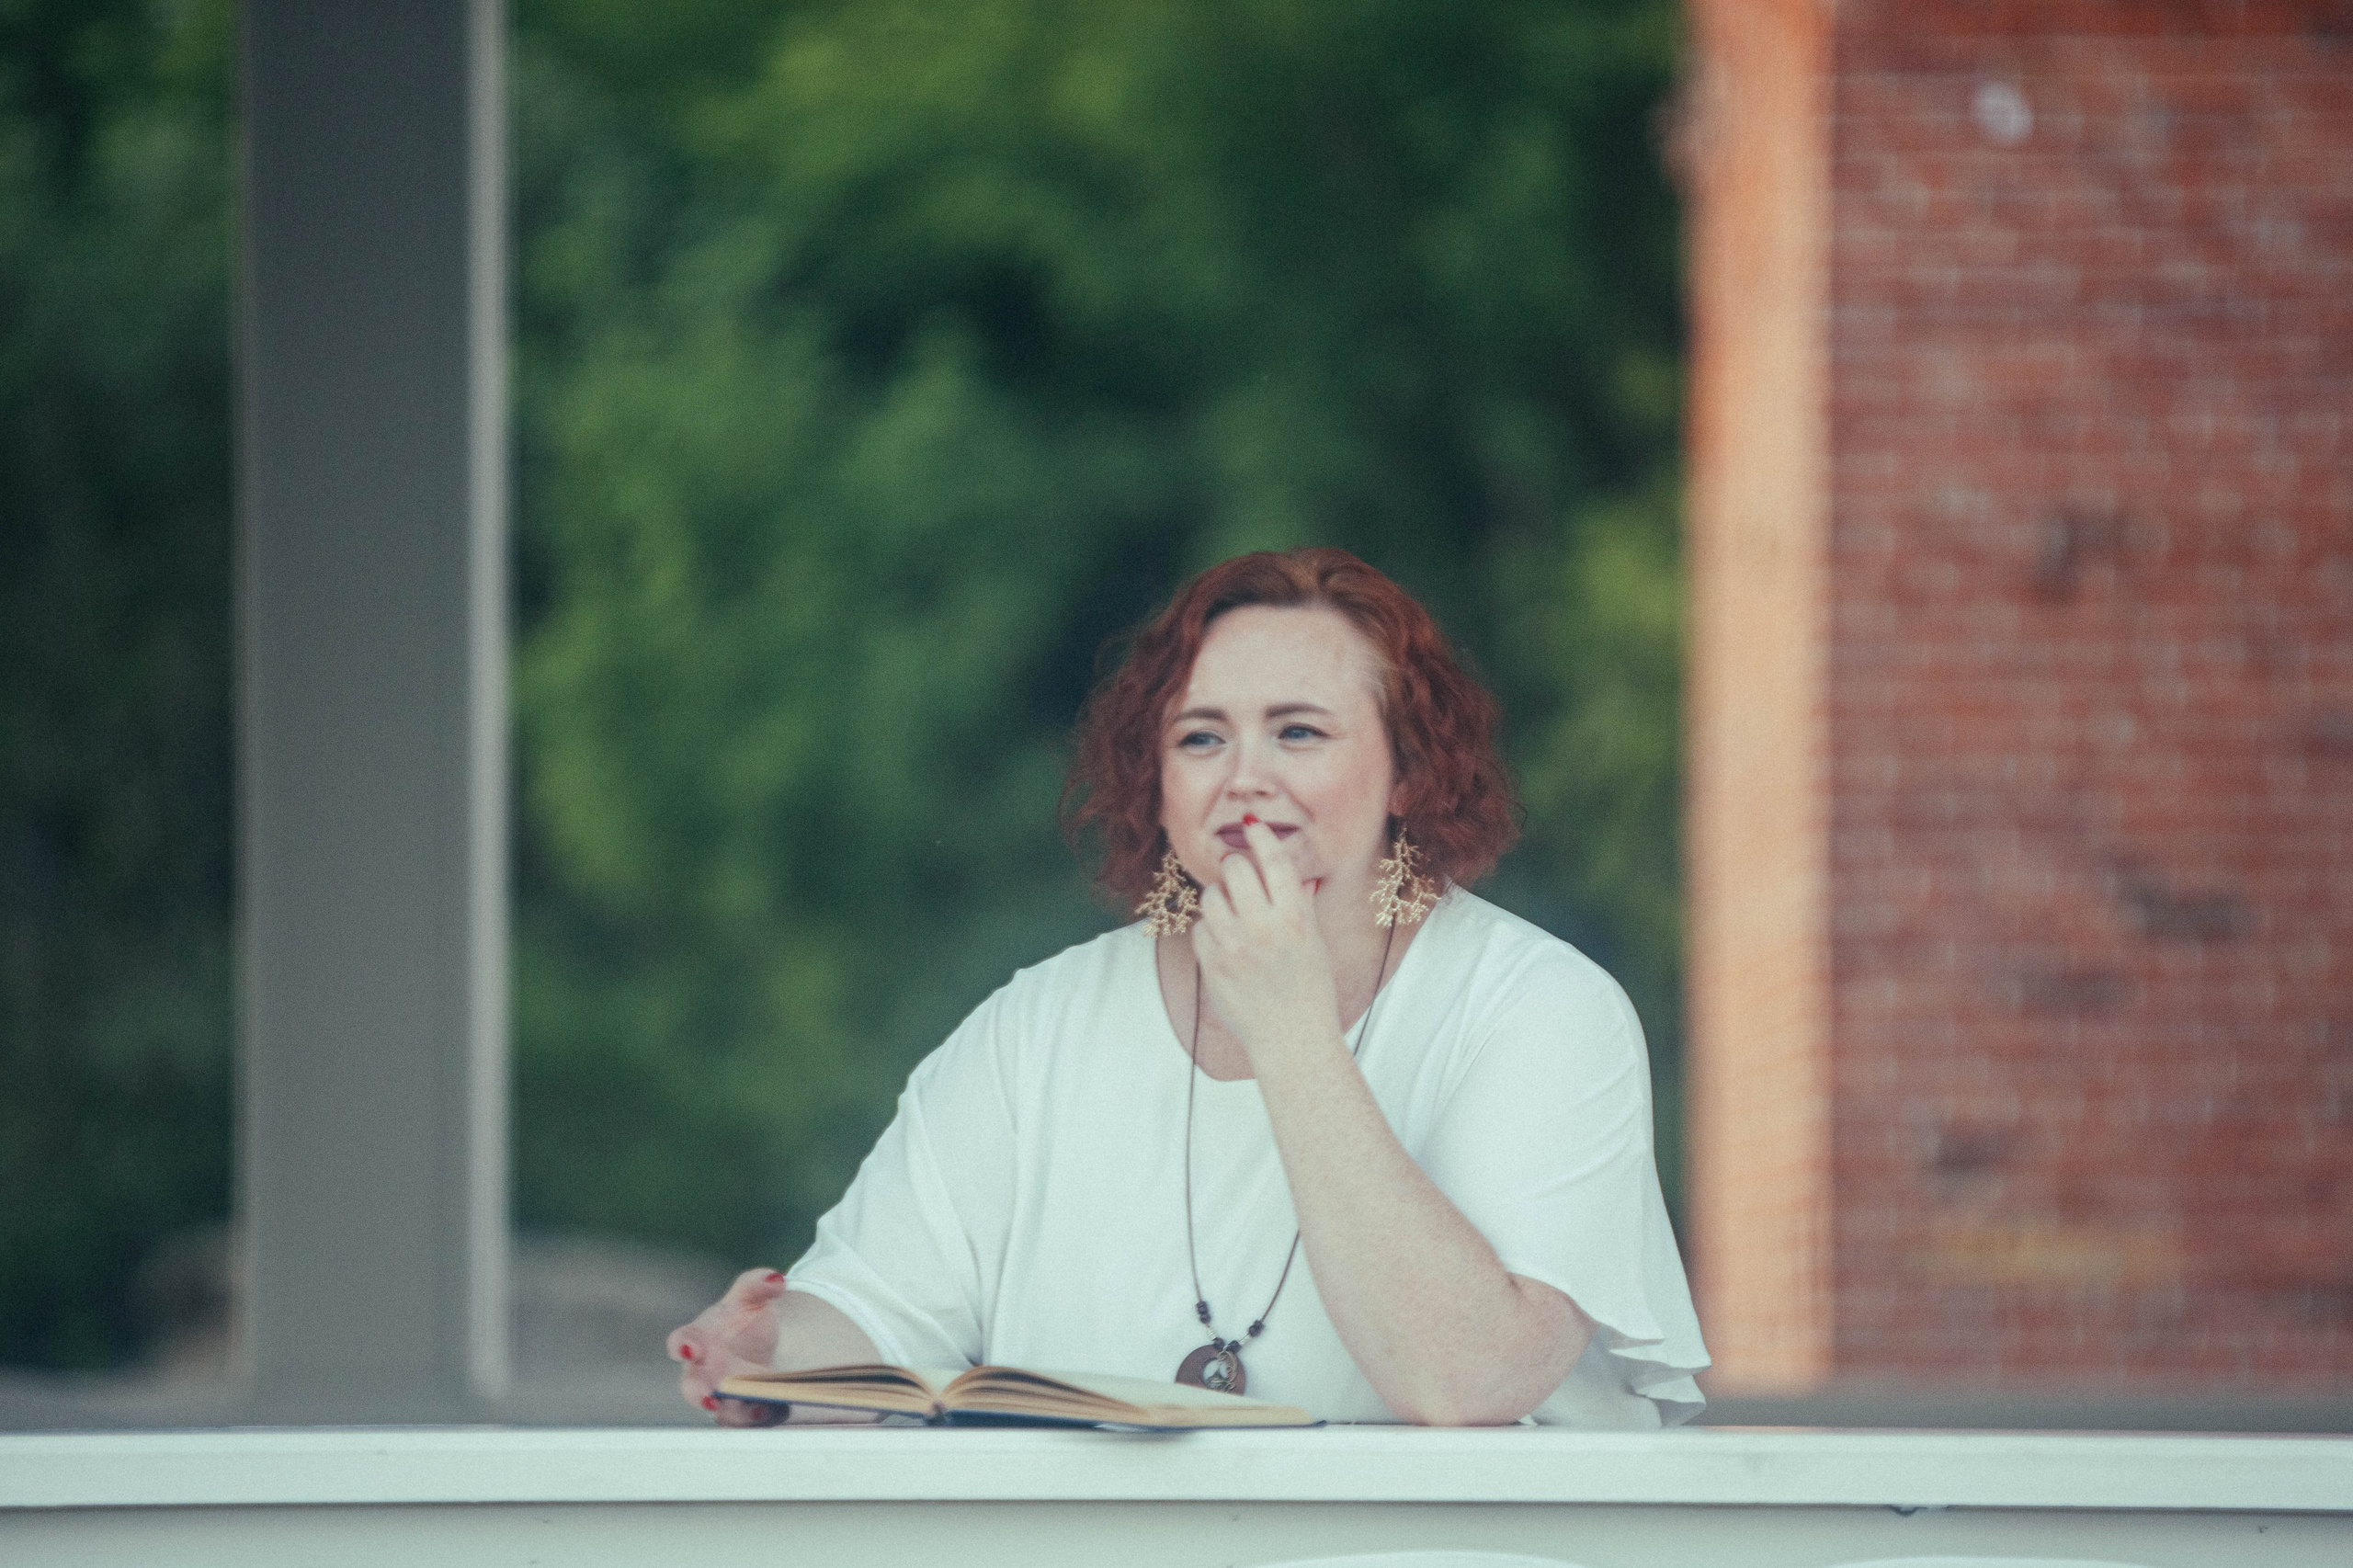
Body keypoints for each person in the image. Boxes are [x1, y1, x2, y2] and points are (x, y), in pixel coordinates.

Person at [668, 548, 1707, 1426]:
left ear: (1406, 774)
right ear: (1155, 783)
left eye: (1298, 731)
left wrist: (1291, 1027)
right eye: (1201, 736)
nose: (1242, 776)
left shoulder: (1542, 1010)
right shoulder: (1038, 1025)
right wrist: (769, 1349)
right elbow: (881, 1313)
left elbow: (1468, 1378)